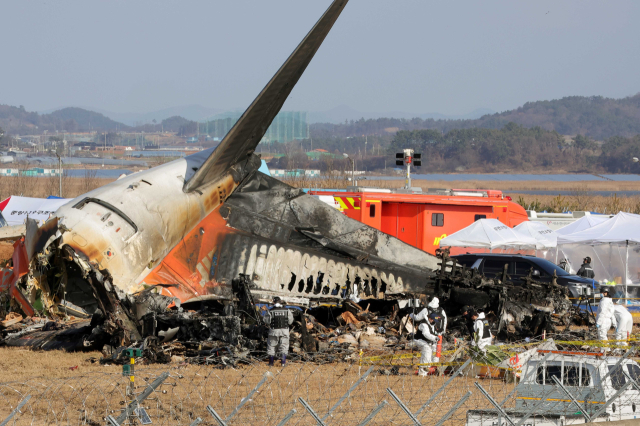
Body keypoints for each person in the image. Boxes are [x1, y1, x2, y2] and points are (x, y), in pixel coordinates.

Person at [264, 296, 294, 367]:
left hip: (274, 331)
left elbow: (267, 321)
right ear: (280, 302)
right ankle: (283, 363)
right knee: (284, 346)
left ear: (273, 302)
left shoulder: (270, 311)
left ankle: (271, 363)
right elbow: (290, 321)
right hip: (284, 331)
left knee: (271, 346)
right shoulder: (287, 310)